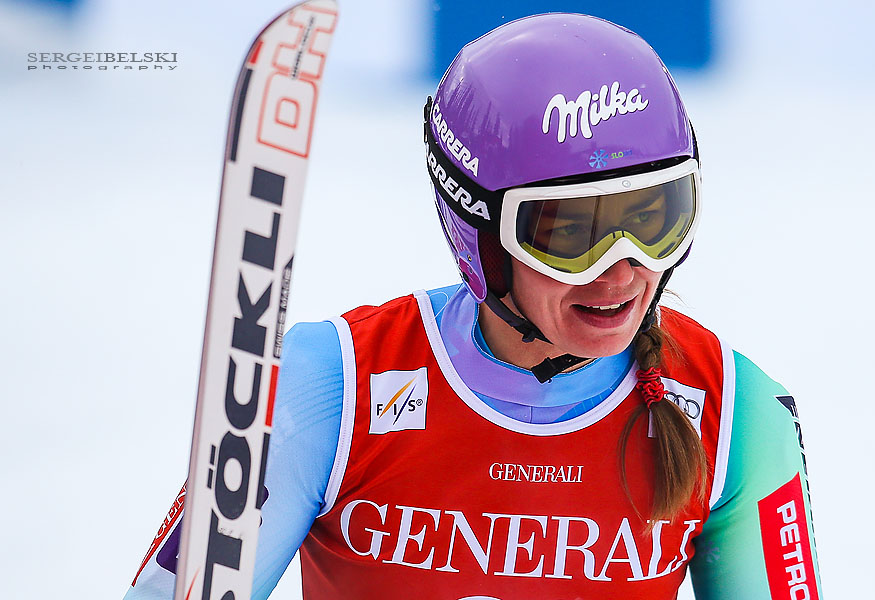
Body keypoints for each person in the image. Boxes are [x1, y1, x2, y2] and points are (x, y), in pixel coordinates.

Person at [125, 13, 821, 600]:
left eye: (655, 217)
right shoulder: (331, 389)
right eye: (571, 234)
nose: (623, 268)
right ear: (478, 233)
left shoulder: (735, 415)